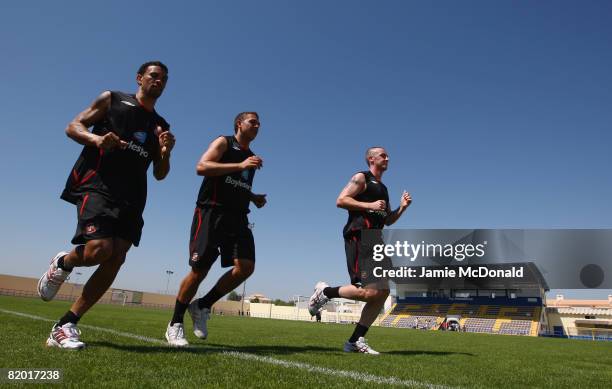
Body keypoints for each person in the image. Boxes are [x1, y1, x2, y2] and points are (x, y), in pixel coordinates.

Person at [37, 61, 175, 349]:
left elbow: (160, 174)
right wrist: (97, 139)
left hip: (133, 196)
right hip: (98, 184)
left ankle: (65, 325)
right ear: (139, 78)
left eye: (164, 79)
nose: (159, 82)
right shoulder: (112, 99)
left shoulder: (161, 125)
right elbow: (73, 126)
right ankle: (63, 262)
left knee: (116, 256)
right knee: (100, 249)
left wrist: (165, 152)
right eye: (154, 76)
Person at [165, 112, 266, 347]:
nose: (257, 125)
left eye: (259, 123)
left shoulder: (251, 157)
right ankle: (175, 323)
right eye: (253, 121)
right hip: (211, 213)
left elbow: (234, 183)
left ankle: (202, 305)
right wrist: (240, 164)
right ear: (239, 124)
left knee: (246, 267)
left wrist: (252, 197)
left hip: (238, 217)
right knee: (200, 271)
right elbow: (202, 167)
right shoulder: (224, 142)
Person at [308, 147, 412, 354]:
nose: (387, 158)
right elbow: (341, 200)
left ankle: (355, 341)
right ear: (371, 159)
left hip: (376, 240)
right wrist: (369, 205)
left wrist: (402, 208)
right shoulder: (361, 178)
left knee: (382, 292)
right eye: (383, 155)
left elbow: (388, 220)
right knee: (368, 291)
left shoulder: (383, 188)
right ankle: (325, 292)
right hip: (359, 235)